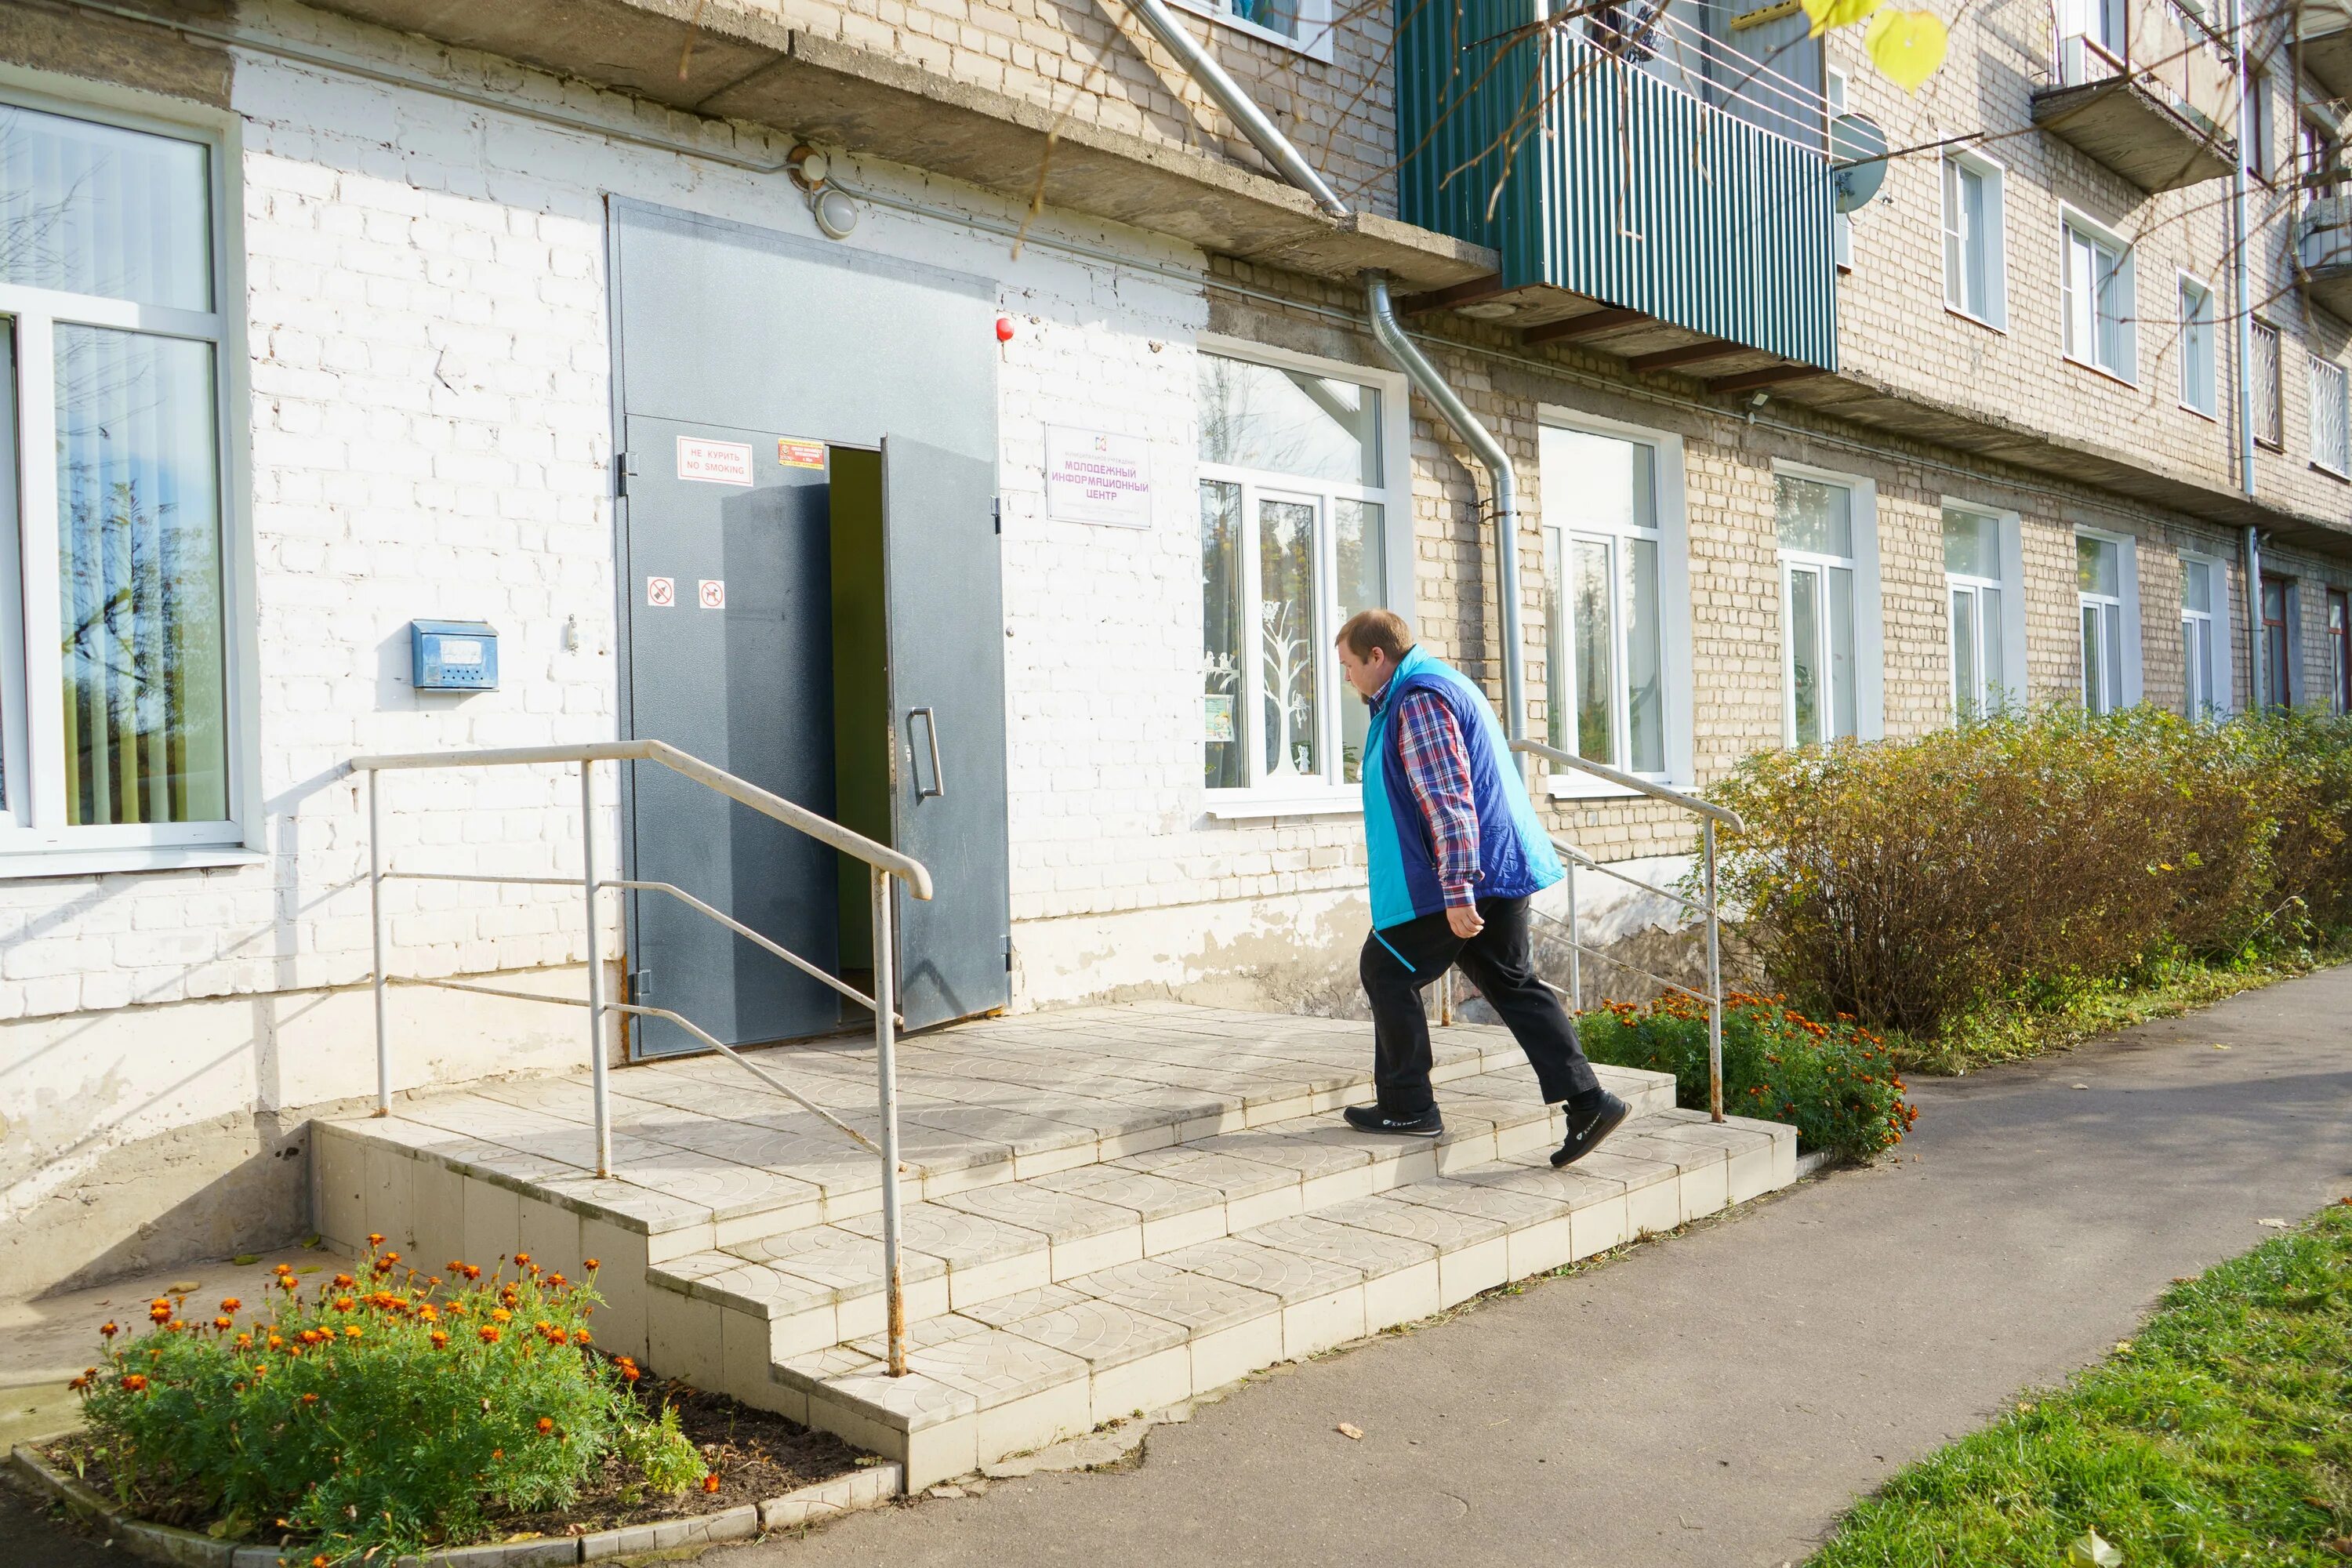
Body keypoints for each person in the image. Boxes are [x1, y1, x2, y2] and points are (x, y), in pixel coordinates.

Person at [1334, 608, 1628, 1167]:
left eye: (1349, 665)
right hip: (1496, 866)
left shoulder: (1418, 700)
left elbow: (1449, 802)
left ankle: (1409, 1105)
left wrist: (1457, 887)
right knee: (1512, 982)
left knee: (1386, 966)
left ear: (1378, 656)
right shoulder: (1440, 682)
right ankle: (1588, 1102)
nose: (1347, 678)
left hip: (1466, 872)